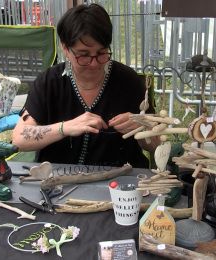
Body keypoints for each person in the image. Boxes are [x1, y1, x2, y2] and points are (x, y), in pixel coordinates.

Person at [12, 4, 158, 168]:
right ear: (65, 48)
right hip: (59, 181)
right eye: (84, 55)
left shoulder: (128, 81)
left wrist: (142, 127)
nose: (94, 63)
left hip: (120, 181)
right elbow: (19, 139)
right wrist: (64, 128)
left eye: (102, 53)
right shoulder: (49, 82)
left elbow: (157, 145)